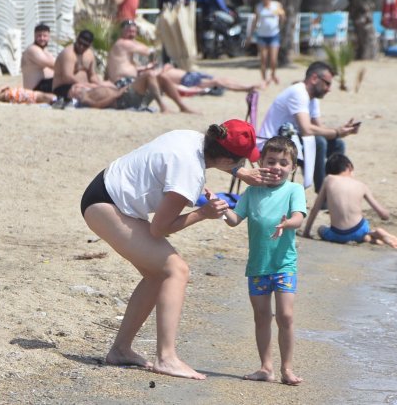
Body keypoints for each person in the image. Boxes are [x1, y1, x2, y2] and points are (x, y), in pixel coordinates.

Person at [81, 119, 261, 380]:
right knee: (176, 270)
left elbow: (217, 156)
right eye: (242, 161)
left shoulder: (194, 138)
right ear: (226, 159)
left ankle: (120, 350)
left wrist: (240, 173)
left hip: (106, 192)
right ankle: (166, 358)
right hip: (106, 206)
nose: (244, 166)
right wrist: (203, 213)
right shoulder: (189, 172)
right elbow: (159, 228)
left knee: (158, 274)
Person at [223, 136, 306, 385]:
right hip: (258, 265)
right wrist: (218, 208)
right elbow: (235, 220)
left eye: (283, 163)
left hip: (284, 264)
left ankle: (287, 369)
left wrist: (287, 223)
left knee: (285, 316)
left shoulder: (294, 190)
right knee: (261, 316)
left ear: (293, 168)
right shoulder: (251, 191)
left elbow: (299, 218)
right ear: (260, 163)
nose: (277, 167)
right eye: (271, 161)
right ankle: (266, 367)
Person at [256, 61, 360, 193]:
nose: (329, 89)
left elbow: (318, 127)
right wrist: (336, 132)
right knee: (319, 142)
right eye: (327, 83)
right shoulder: (298, 92)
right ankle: (324, 194)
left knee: (337, 144)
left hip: (289, 139)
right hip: (271, 142)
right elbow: (306, 129)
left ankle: (336, 190)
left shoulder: (313, 98)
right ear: (315, 78)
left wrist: (342, 130)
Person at [302, 154, 397, 248]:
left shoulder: (329, 179)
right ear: (349, 167)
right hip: (359, 230)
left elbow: (315, 208)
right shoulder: (361, 185)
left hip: (338, 235)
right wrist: (386, 215)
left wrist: (306, 232)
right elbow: (383, 214)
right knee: (363, 234)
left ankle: (372, 237)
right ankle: (374, 235)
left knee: (321, 229)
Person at [106, 19, 197, 113]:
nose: (132, 34)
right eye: (129, 31)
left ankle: (182, 106)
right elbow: (147, 51)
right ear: (122, 31)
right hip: (123, 88)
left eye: (134, 32)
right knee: (149, 74)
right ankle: (163, 107)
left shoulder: (127, 52)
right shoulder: (122, 43)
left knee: (162, 77)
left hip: (133, 87)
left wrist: (147, 67)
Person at [52, 30, 110, 102]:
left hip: (84, 86)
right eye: (79, 43)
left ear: (90, 45)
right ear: (77, 39)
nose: (81, 46)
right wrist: (87, 85)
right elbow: (67, 77)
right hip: (63, 87)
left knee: (107, 88)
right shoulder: (68, 53)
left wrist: (98, 84)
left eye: (85, 45)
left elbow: (92, 75)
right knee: (80, 91)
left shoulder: (90, 55)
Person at [247, 0, 286, 87]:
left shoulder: (276, 5)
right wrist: (250, 35)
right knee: (263, 59)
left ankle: (273, 74)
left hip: (274, 35)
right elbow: (255, 21)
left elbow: (283, 17)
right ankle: (264, 79)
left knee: (273, 60)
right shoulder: (259, 7)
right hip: (262, 35)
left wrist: (281, 17)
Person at [159, 63, 260, 93]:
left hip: (191, 74)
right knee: (217, 81)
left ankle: (245, 86)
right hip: (187, 80)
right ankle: (245, 88)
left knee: (222, 79)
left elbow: (169, 65)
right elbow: (171, 85)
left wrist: (165, 68)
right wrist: (190, 90)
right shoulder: (157, 76)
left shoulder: (160, 69)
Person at [20, 24, 55, 92]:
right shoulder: (32, 50)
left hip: (42, 85)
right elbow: (54, 65)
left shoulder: (44, 50)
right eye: (39, 36)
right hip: (35, 89)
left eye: (45, 36)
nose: (42, 38)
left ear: (49, 37)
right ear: (34, 36)